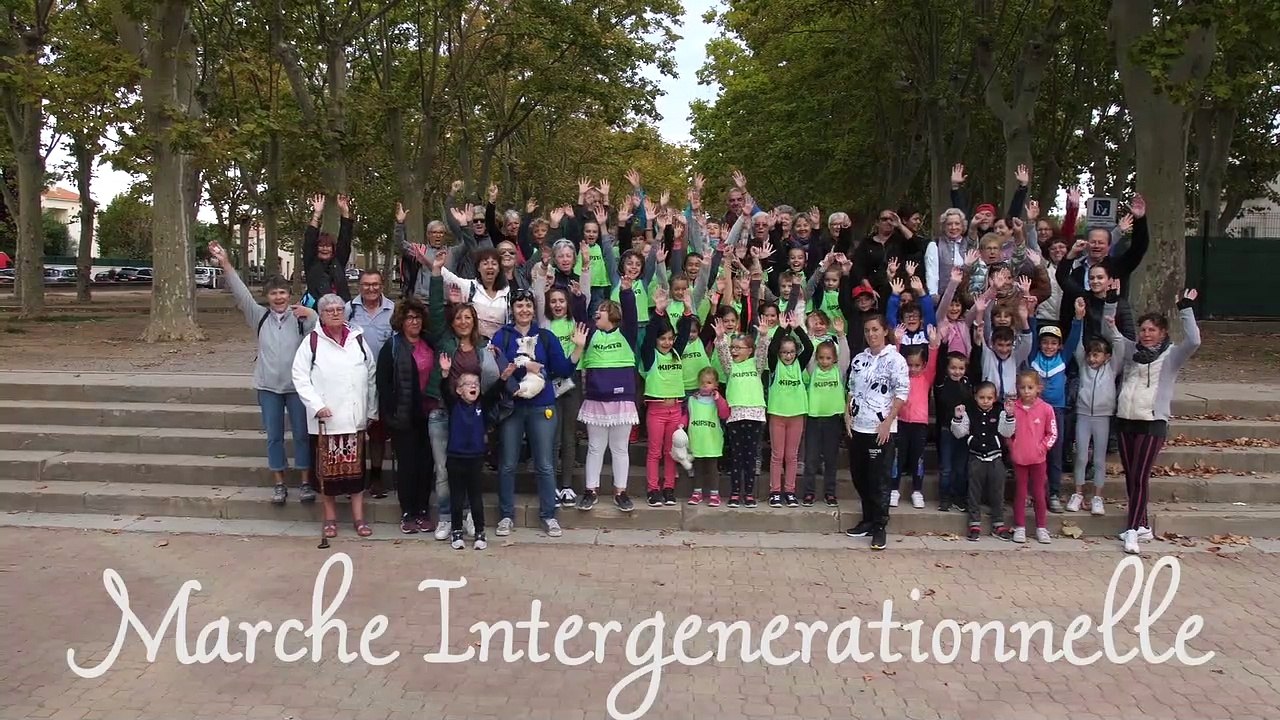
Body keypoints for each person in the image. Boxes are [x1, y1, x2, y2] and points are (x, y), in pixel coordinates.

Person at [209, 240, 317, 505]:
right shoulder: (259, 316)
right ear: (267, 297)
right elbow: (241, 293)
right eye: (273, 294)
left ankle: (306, 482)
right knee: (274, 436)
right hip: (268, 387)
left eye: (283, 293)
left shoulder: (301, 318)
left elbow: (321, 330)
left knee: (302, 436)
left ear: (289, 295)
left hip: (297, 388)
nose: (279, 298)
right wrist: (225, 263)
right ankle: (279, 483)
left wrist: (312, 314)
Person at [1107, 287, 1201, 555]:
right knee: (1131, 477)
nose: (1146, 334)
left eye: (1152, 330)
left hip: (1152, 422)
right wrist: (1111, 302)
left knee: (1140, 477)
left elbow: (1194, 341)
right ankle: (1143, 525)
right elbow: (1110, 332)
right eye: (1143, 330)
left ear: (1162, 333)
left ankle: (1132, 529)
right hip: (1126, 419)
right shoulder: (1131, 351)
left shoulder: (1171, 356)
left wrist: (1185, 308)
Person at [490, 288, 579, 536]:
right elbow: (495, 368)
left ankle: (549, 515)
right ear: (512, 309)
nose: (524, 310)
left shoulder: (546, 337)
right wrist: (524, 366)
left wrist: (578, 349)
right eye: (519, 305)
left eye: (528, 305)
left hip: (542, 406)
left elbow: (562, 369)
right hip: (512, 407)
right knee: (508, 464)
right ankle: (506, 515)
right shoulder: (502, 336)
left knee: (545, 464)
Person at [291, 293, 378, 538]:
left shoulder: (357, 339)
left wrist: (371, 408)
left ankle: (359, 519)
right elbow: (299, 376)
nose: (336, 313)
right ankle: (329, 519)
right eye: (329, 310)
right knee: (326, 475)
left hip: (353, 418)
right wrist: (316, 405)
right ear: (321, 315)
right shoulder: (312, 342)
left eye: (339, 309)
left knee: (357, 474)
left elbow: (370, 373)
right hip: (326, 421)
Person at [426, 251, 497, 540]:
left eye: (469, 317)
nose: (464, 321)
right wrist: (436, 273)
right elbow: (435, 309)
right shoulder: (444, 339)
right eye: (459, 318)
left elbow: (489, 382)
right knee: (443, 470)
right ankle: (446, 517)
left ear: (474, 321)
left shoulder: (482, 347)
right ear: (452, 322)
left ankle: (467, 516)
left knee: (469, 470)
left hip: (470, 418)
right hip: (443, 412)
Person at [843, 314, 909, 550]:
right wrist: (847, 414)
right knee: (859, 476)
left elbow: (901, 393)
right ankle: (868, 519)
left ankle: (880, 526)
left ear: (884, 331)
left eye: (875, 329)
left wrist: (888, 422)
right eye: (867, 330)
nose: (871, 334)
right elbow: (851, 388)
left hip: (880, 429)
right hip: (858, 427)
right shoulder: (859, 359)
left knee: (879, 479)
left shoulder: (896, 360)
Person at [374, 297, 438, 534]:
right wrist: (390, 414)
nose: (414, 322)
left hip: (429, 413)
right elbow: (383, 383)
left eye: (418, 317)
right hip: (403, 415)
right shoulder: (391, 347)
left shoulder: (430, 343)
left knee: (426, 464)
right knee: (407, 465)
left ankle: (423, 510)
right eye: (409, 317)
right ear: (401, 321)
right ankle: (408, 512)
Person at [575, 288, 641, 512]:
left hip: (622, 401)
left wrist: (626, 292)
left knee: (620, 448)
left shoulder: (626, 334)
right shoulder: (592, 334)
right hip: (596, 400)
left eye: (602, 309)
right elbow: (580, 319)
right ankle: (590, 491)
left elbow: (631, 314)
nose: (597, 312)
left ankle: (620, 492)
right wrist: (578, 298)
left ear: (612, 314)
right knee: (595, 448)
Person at [438, 354, 504, 550]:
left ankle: (480, 532)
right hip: (455, 458)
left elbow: (494, 393)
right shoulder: (454, 405)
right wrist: (445, 374)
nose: (473, 386)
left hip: (475, 458)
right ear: (459, 390)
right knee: (457, 498)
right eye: (467, 384)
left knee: (475, 497)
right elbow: (444, 391)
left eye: (476, 383)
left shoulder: (482, 405)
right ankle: (456, 531)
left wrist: (504, 377)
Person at [1069, 295, 1126, 516]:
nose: (1092, 359)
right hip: (1083, 415)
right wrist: (1078, 318)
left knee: (1099, 458)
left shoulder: (1112, 368)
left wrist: (1113, 328)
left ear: (1107, 357)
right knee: (1082, 456)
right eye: (1090, 355)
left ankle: (1097, 497)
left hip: (1102, 417)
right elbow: (1077, 346)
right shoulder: (1084, 366)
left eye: (1097, 355)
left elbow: (1119, 345)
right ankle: (1078, 493)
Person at [1026, 299, 1084, 513]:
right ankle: (1033, 492)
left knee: (1055, 453)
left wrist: (1078, 318)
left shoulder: (1063, 358)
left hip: (1056, 412)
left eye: (1053, 343)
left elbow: (1073, 340)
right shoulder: (1034, 356)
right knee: (1033, 452)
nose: (1049, 346)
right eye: (1045, 342)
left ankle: (1053, 494)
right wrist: (1031, 315)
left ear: (1059, 345)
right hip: (1035, 411)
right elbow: (1031, 337)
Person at [640, 292, 694, 506]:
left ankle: (669, 488)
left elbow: (684, 335)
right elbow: (648, 337)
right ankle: (653, 489)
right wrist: (658, 312)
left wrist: (688, 311)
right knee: (655, 452)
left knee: (672, 452)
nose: (667, 342)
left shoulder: (676, 353)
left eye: (670, 338)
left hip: (675, 410)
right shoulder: (650, 355)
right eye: (662, 339)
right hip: (656, 411)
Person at [347, 270, 396, 498]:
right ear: (360, 286)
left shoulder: (393, 310)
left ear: (382, 285)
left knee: (377, 433)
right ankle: (354, 477)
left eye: (375, 284)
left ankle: (376, 477)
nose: (371, 288)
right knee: (355, 432)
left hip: (383, 381)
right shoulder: (349, 309)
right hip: (354, 382)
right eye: (366, 284)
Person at [714, 316, 770, 507]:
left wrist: (763, 336)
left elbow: (762, 352)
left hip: (755, 415)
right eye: (733, 347)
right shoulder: (730, 367)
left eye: (739, 348)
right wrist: (721, 339)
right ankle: (735, 492)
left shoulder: (756, 365)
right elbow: (723, 354)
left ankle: (749, 493)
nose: (734, 351)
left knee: (750, 456)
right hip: (735, 415)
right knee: (736, 456)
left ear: (749, 350)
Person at [951, 382, 1016, 540]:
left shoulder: (1000, 412)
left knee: (997, 491)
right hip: (976, 457)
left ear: (995, 398)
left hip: (996, 458)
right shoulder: (970, 412)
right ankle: (974, 524)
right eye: (982, 397)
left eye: (989, 398)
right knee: (974, 492)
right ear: (975, 397)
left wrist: (1009, 416)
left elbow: (1007, 432)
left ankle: (998, 524)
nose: (985, 401)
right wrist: (957, 418)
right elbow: (959, 433)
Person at [765, 315, 813, 507]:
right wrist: (782, 329)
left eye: (792, 352)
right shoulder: (775, 365)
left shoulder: (798, 365)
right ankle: (775, 491)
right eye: (784, 352)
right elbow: (771, 349)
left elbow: (809, 348)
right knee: (777, 455)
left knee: (792, 456)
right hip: (777, 415)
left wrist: (797, 328)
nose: (788, 355)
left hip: (796, 415)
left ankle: (790, 491)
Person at [1007, 370, 1058, 544]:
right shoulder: (1013, 408)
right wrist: (1012, 447)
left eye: (1030, 387)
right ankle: (1020, 526)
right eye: (1022, 388)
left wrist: (1042, 448)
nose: (1026, 391)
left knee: (1039, 493)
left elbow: (1052, 433)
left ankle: (1041, 527)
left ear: (1038, 388)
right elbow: (1007, 432)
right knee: (1020, 492)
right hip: (1019, 459)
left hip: (1038, 460)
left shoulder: (1046, 409)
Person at [892, 329, 941, 509]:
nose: (912, 368)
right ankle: (894, 490)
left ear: (923, 365)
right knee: (898, 457)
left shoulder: (926, 377)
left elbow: (933, 362)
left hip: (920, 425)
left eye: (917, 365)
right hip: (901, 422)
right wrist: (897, 342)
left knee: (917, 458)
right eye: (909, 365)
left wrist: (933, 345)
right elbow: (895, 361)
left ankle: (917, 491)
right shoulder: (901, 376)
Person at [800, 340, 845, 507]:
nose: (824, 361)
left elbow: (845, 355)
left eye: (828, 358)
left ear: (835, 359)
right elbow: (808, 349)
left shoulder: (839, 371)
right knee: (811, 459)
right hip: (814, 419)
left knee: (831, 459)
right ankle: (809, 493)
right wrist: (809, 334)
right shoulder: (813, 370)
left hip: (832, 420)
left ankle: (830, 493)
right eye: (821, 358)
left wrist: (841, 336)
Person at [933, 351, 973, 512]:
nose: (957, 372)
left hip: (964, 431)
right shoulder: (942, 383)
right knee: (946, 468)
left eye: (961, 368)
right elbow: (939, 364)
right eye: (953, 368)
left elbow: (976, 366)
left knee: (961, 468)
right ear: (947, 368)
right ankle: (945, 498)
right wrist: (941, 345)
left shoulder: (968, 383)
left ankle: (959, 497)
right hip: (947, 430)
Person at [685, 367, 730, 506]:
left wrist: (718, 399)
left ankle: (714, 494)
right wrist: (681, 424)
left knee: (712, 468)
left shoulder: (717, 400)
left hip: (711, 440)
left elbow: (724, 414)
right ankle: (697, 493)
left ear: (716, 384)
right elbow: (687, 416)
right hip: (697, 440)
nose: (705, 385)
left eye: (709, 382)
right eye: (702, 382)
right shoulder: (692, 399)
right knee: (698, 468)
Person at [302, 194, 354, 305]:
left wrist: (344, 212)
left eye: (328, 246)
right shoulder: (311, 262)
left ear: (333, 248)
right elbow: (309, 240)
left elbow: (345, 239)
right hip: (317, 308)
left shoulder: (338, 261)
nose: (324, 249)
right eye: (321, 246)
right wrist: (317, 214)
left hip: (340, 307)